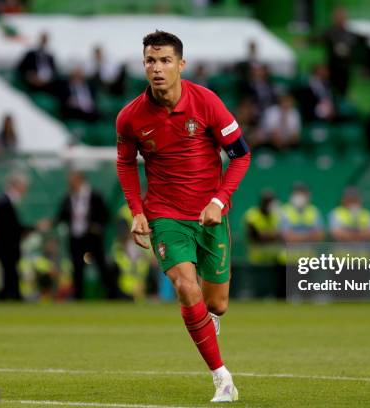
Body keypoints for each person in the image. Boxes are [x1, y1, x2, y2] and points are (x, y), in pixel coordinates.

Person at [116, 31, 250, 403]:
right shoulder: (129, 117)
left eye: (164, 61)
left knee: (216, 304)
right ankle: (222, 378)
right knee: (185, 286)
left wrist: (219, 201)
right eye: (150, 61)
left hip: (209, 214)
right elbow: (125, 164)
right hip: (165, 215)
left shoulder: (206, 102)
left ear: (180, 65)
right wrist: (137, 211)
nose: (157, 68)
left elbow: (241, 154)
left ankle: (206, 325)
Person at [55, 170, 114, 300]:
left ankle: (112, 293)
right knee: (77, 268)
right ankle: (78, 296)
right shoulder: (69, 198)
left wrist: (97, 226)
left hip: (92, 238)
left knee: (101, 265)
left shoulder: (95, 196)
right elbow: (62, 216)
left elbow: (105, 215)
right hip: (76, 238)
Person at [0, 172, 32, 300]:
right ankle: (11, 296)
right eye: (24, 186)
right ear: (17, 185)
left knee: (9, 272)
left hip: (7, 246)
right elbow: (10, 227)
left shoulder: (4, 201)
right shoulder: (4, 202)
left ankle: (12, 295)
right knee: (9, 272)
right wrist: (31, 229)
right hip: (6, 246)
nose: (25, 190)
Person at [320, 7, 357, 96]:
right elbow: (318, 38)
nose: (341, 19)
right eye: (338, 17)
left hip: (345, 69)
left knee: (343, 93)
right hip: (332, 68)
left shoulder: (350, 33)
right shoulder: (330, 32)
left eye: (342, 17)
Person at [243, 190, 280, 265]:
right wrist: (272, 234)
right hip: (256, 261)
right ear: (263, 203)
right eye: (268, 202)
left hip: (273, 260)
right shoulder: (252, 214)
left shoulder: (275, 215)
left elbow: (280, 235)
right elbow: (254, 236)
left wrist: (265, 234)